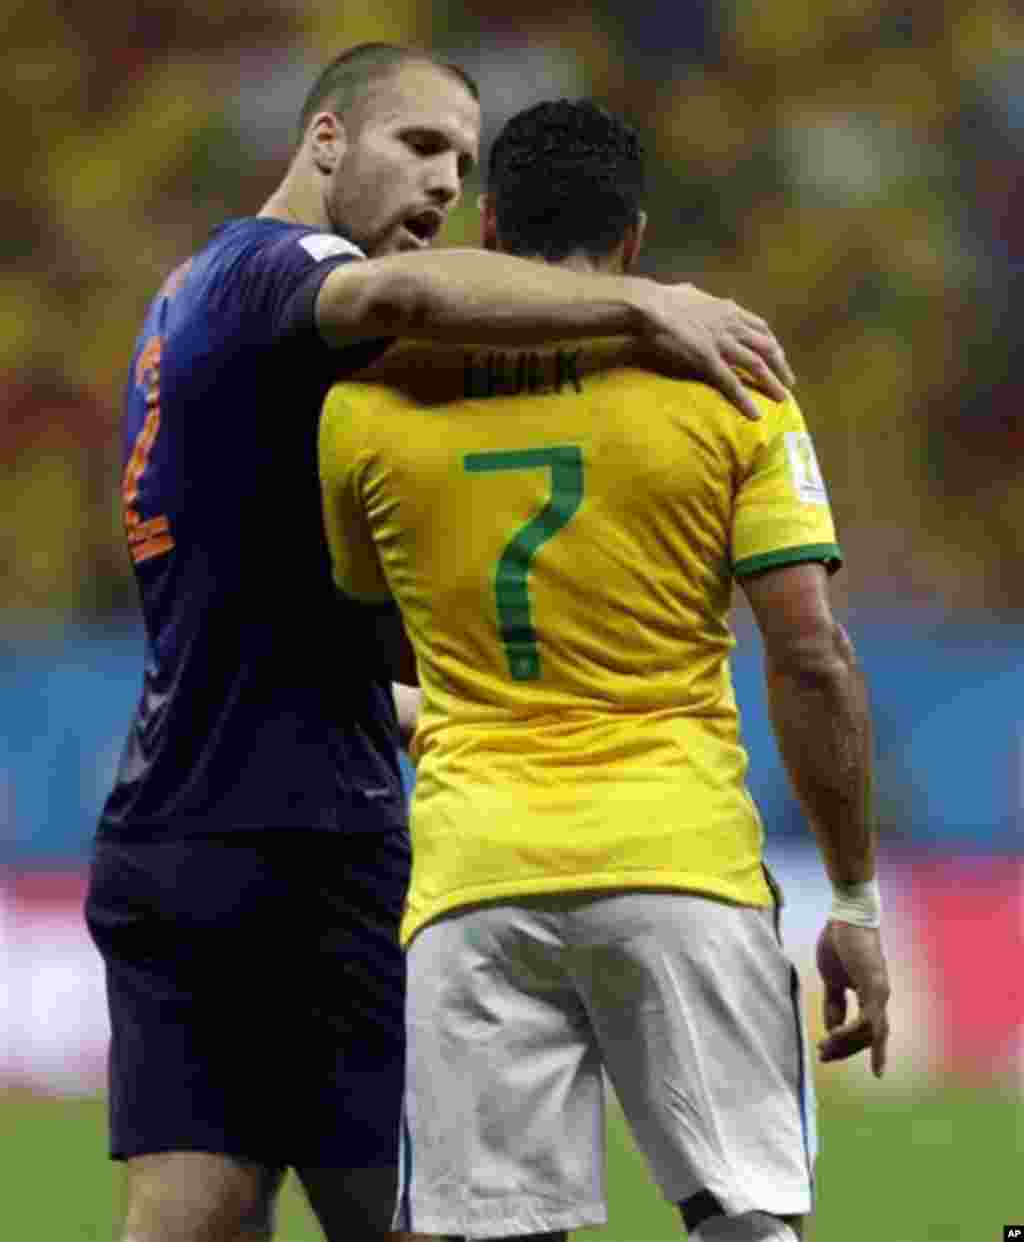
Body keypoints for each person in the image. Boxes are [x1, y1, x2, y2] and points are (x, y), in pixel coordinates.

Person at [84, 42, 798, 1242]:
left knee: (199, 1209)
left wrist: (414, 710)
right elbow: (404, 300)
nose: (442, 184)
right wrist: (644, 304)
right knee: (439, 1217)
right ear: (324, 141)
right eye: (418, 145)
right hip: (311, 847)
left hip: (181, 820)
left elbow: (273, 614)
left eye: (462, 166)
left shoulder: (184, 299)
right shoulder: (283, 268)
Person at [318, 98, 891, 1242]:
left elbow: (367, 636)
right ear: (633, 238)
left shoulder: (364, 406)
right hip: (679, 859)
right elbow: (810, 654)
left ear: (488, 225)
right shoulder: (730, 382)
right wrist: (853, 897)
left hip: (473, 873)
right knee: (745, 1224)